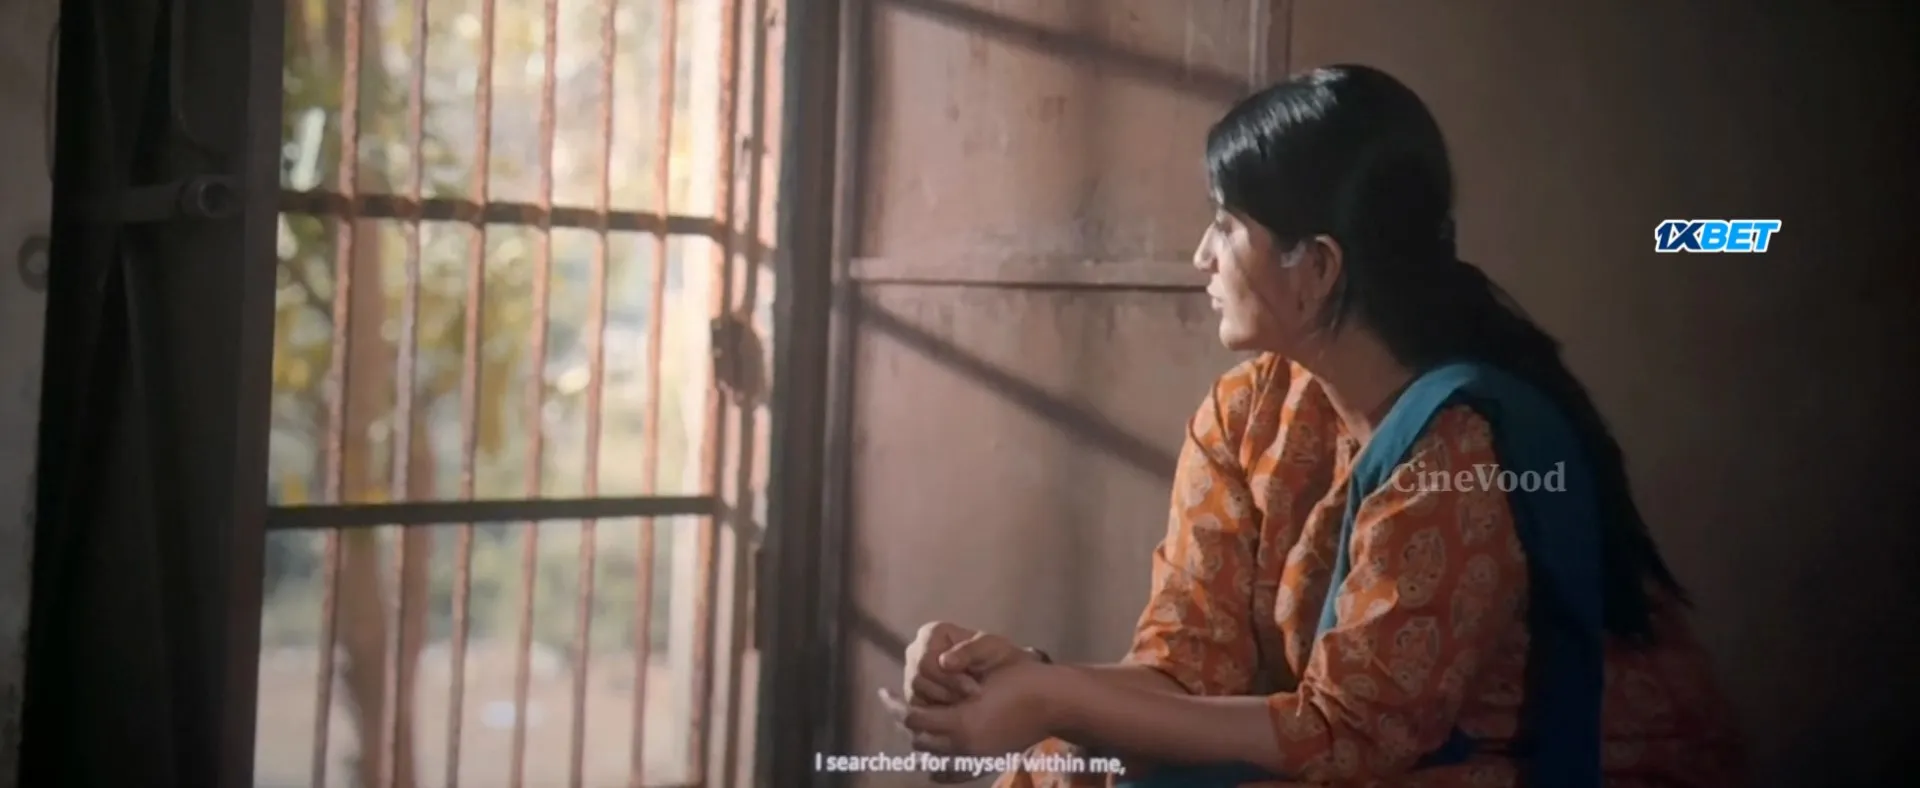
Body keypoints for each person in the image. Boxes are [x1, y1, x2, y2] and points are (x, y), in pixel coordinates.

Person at [877, 64, 1746, 787]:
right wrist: (1029, 679)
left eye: (1227, 224)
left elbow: (1356, 736)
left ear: (1317, 268)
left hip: (1505, 763)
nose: (1201, 255)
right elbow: (1189, 670)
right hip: (1346, 747)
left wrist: (1056, 700)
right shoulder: (1246, 414)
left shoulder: (1460, 448)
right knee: (1067, 766)